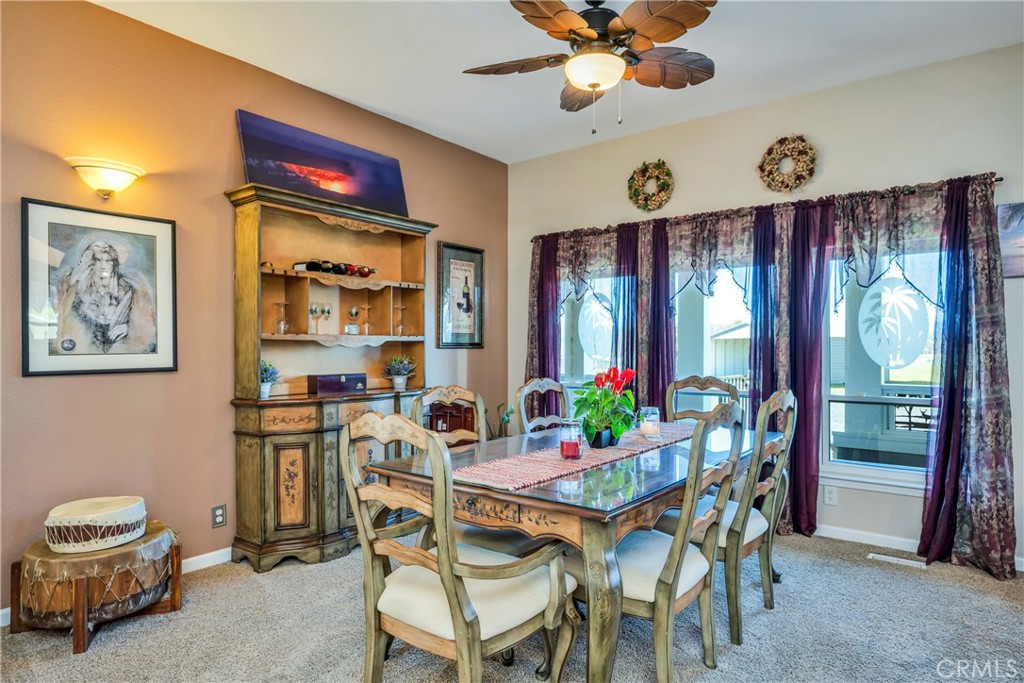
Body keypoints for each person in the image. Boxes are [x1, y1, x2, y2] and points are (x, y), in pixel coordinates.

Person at [54, 241, 157, 355]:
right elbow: (64, 314)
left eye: (108, 261)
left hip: (121, 350)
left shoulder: (128, 288)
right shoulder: (80, 288)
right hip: (85, 348)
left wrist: (129, 327)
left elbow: (147, 320)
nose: (103, 265)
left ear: (114, 263)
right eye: (98, 260)